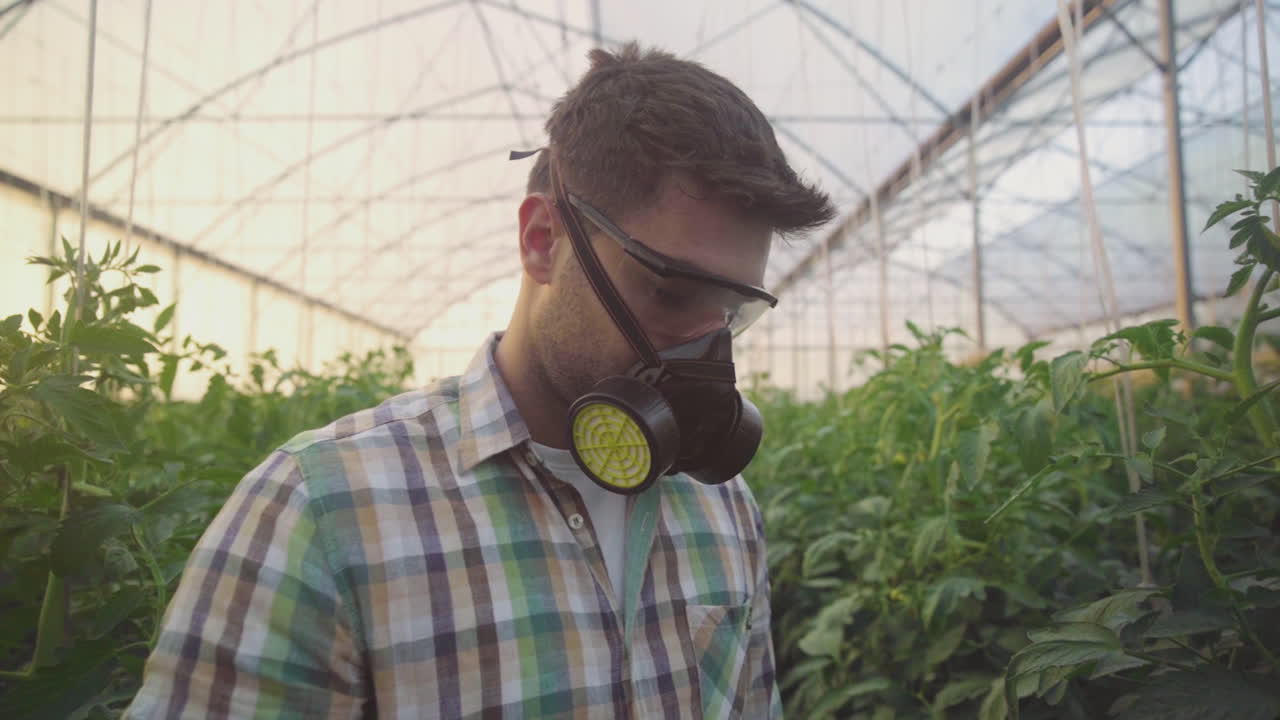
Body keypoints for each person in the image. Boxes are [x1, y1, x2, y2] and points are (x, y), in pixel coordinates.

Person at [126, 41, 834, 719]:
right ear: (541, 242)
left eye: (732, 310)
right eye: (671, 293)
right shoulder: (320, 516)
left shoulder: (722, 508)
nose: (701, 349)